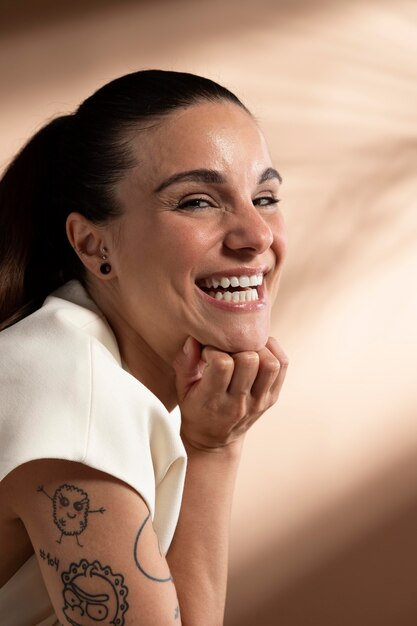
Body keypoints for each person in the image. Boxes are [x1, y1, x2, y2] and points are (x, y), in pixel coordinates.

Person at [0, 69, 288, 626]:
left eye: (265, 196)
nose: (257, 235)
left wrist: (210, 443)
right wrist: (212, 452)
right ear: (93, 244)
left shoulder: (71, 356)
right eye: (198, 201)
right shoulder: (73, 389)